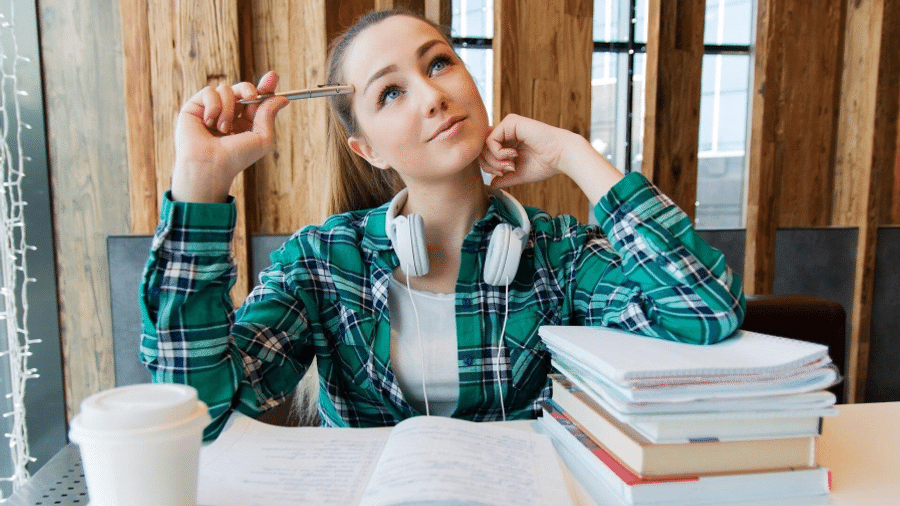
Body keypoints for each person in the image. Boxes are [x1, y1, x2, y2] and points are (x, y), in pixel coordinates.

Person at [140, 9, 745, 440]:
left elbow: (703, 312)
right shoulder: (322, 263)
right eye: (390, 94)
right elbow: (198, 408)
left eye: (439, 64)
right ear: (367, 150)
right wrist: (199, 178)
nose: (431, 95)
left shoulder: (561, 255)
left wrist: (572, 155)